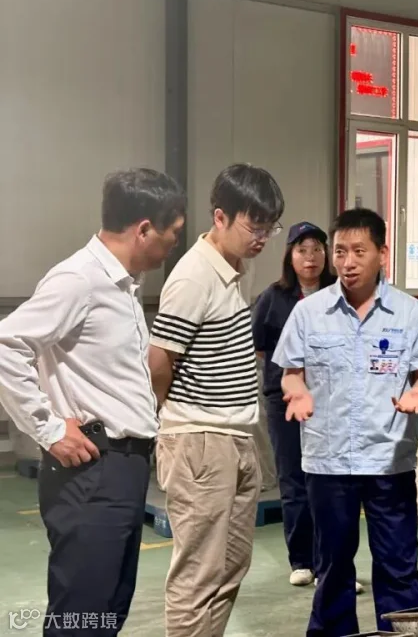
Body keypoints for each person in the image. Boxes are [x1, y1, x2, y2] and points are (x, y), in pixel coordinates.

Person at [0, 169, 186, 636]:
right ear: (144, 229)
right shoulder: (79, 280)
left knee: (106, 610)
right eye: (172, 232)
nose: (173, 244)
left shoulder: (121, 285)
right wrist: (48, 429)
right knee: (81, 616)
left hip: (121, 469)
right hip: (91, 470)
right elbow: (6, 346)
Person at [273, 208, 418, 637]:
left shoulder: (409, 313)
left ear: (381, 254)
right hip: (328, 460)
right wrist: (296, 390)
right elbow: (291, 371)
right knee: (332, 565)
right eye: (340, 252)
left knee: (398, 565)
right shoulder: (309, 312)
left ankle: (403, 633)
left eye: (358, 251)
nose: (347, 262)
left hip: (388, 460)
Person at [148, 163, 285, 637]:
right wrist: (174, 422)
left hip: (236, 436)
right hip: (201, 440)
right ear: (220, 216)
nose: (262, 238)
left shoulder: (236, 268)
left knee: (230, 565)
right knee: (199, 574)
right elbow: (159, 361)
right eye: (254, 226)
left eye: (270, 227)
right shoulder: (193, 277)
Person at [251, 222, 364, 595]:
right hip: (283, 400)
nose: (311, 257)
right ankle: (301, 560)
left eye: (317, 249)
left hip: (331, 399)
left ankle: (333, 564)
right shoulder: (273, 297)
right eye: (302, 250)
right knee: (294, 479)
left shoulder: (341, 294)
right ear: (290, 256)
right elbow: (260, 346)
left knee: (333, 481)